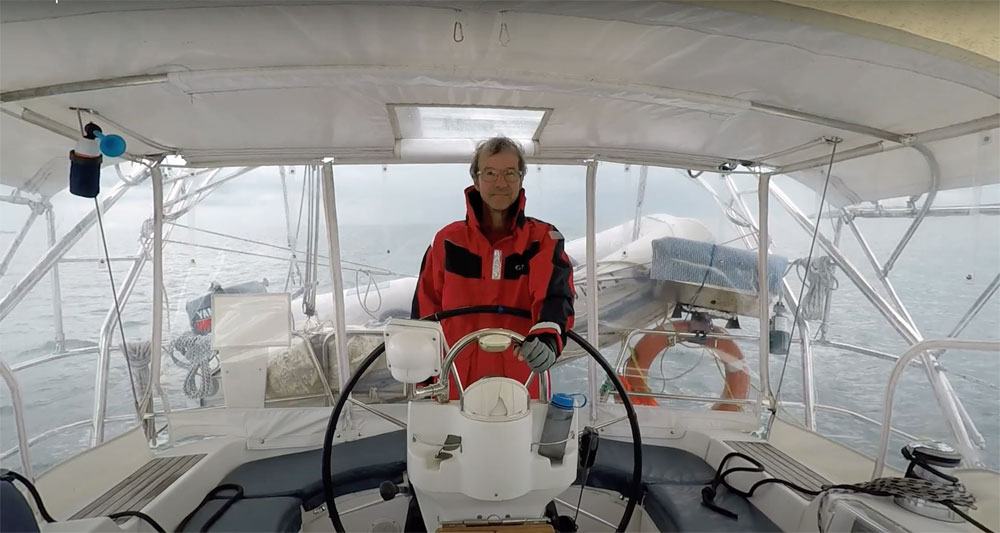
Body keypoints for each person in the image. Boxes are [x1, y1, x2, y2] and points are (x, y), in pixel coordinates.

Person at [410, 136, 575, 399]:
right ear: (475, 179)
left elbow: (555, 296)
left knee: (522, 441)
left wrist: (547, 338)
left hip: (522, 384)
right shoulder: (446, 241)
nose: (500, 182)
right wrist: (423, 379)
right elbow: (424, 314)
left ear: (521, 179)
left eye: (510, 173)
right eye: (490, 173)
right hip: (455, 384)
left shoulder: (543, 239)